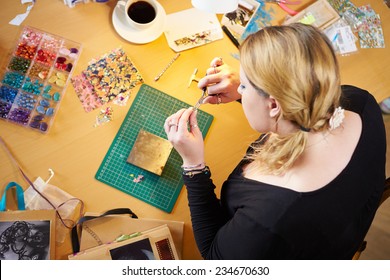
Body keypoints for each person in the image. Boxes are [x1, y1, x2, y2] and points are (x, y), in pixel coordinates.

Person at [164, 23, 386, 259]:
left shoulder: (271, 216)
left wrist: (193, 165)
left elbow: (214, 257)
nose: (238, 86)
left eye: (243, 84)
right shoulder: (359, 102)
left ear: (273, 105)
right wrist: (247, 91)